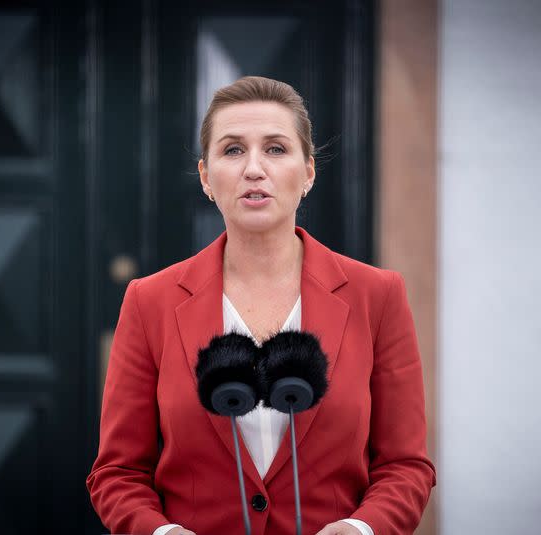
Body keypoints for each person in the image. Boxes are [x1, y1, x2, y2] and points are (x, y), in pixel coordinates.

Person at [86, 76, 436, 535]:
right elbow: (117, 474)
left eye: (275, 148)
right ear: (207, 177)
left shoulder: (378, 296)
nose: (254, 168)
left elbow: (406, 465)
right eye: (232, 150)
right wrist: (161, 533)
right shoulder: (149, 301)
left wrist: (361, 528)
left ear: (308, 172)